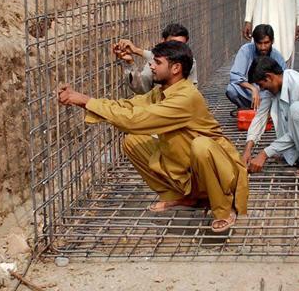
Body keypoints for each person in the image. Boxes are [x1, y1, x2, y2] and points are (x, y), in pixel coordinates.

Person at [58, 41, 248, 232]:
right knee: (133, 141)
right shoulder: (160, 92)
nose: (151, 65)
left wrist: (86, 101)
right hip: (193, 169)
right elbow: (128, 106)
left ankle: (224, 209)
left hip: (222, 173)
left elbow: (135, 120)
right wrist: (84, 101)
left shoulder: (186, 97)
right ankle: (184, 196)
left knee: (201, 146)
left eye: (157, 62)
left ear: (176, 68)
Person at [114, 23, 198, 94]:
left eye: (181, 45)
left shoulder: (188, 63)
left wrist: (136, 51)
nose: (177, 49)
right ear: (163, 41)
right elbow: (142, 89)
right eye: (172, 44)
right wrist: (130, 61)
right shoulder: (155, 61)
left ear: (176, 67)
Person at [225, 24, 286, 111]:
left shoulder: (277, 56)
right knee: (231, 90)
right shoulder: (246, 50)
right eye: (259, 43)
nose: (263, 47)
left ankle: (268, 109)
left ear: (272, 41)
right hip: (251, 92)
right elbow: (235, 76)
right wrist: (253, 89)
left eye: (266, 43)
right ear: (254, 41)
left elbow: (284, 80)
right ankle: (247, 108)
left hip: (269, 93)